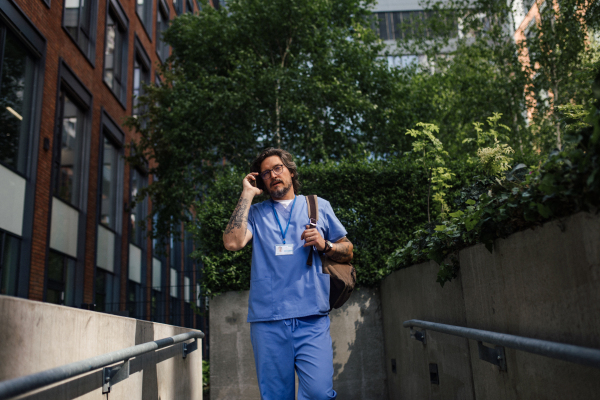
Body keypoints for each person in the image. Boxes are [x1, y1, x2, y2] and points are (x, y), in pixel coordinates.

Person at [223, 148, 354, 400]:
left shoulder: (317, 205)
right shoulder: (256, 214)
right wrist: (247, 194)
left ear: (291, 172)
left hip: (312, 318)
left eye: (277, 168)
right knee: (275, 396)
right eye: (265, 173)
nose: (272, 175)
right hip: (268, 321)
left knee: (319, 394)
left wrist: (325, 245)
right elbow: (232, 243)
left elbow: (348, 250)